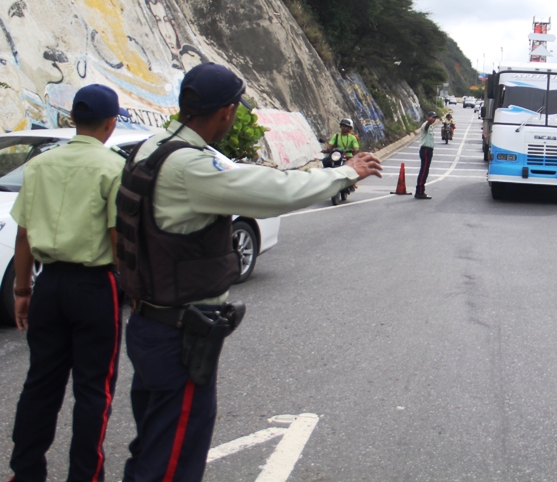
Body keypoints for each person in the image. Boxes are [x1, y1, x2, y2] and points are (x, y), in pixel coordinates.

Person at [118, 63, 382, 482]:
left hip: (148, 325)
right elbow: (271, 191)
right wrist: (345, 173)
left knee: (152, 445)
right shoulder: (191, 167)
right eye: (236, 109)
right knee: (173, 458)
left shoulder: (151, 147)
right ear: (226, 112)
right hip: (179, 338)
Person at [8, 84, 127, 482]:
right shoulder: (113, 167)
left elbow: (24, 235)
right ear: (112, 123)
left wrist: (23, 291)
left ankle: (25, 472)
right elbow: (115, 236)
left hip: (48, 285)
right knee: (94, 390)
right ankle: (85, 476)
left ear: (71, 120)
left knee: (40, 384)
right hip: (95, 288)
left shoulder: (40, 166)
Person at [414, 111, 437, 199]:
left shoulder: (431, 126)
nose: (434, 119)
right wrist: (429, 122)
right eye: (432, 117)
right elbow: (426, 127)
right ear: (428, 117)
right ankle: (419, 191)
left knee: (425, 170)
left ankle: (421, 190)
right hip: (426, 150)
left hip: (428, 150)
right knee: (424, 171)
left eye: (435, 118)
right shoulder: (426, 125)